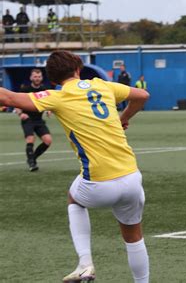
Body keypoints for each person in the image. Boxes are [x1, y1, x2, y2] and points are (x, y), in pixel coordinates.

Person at [0, 50, 150, 282]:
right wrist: (124, 117)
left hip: (99, 182)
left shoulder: (57, 96)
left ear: (52, 79)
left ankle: (85, 263)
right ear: (78, 68)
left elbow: (8, 98)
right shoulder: (103, 85)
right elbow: (141, 95)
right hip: (132, 177)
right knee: (133, 237)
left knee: (74, 198)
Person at [14, 69, 53, 171]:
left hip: (39, 120)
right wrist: (21, 114)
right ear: (31, 78)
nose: (37, 78)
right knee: (31, 139)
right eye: (35, 76)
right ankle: (32, 164)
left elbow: (48, 103)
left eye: (39, 76)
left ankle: (32, 158)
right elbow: (16, 104)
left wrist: (48, 110)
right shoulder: (25, 89)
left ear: (42, 78)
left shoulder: (45, 90)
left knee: (48, 141)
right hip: (28, 119)